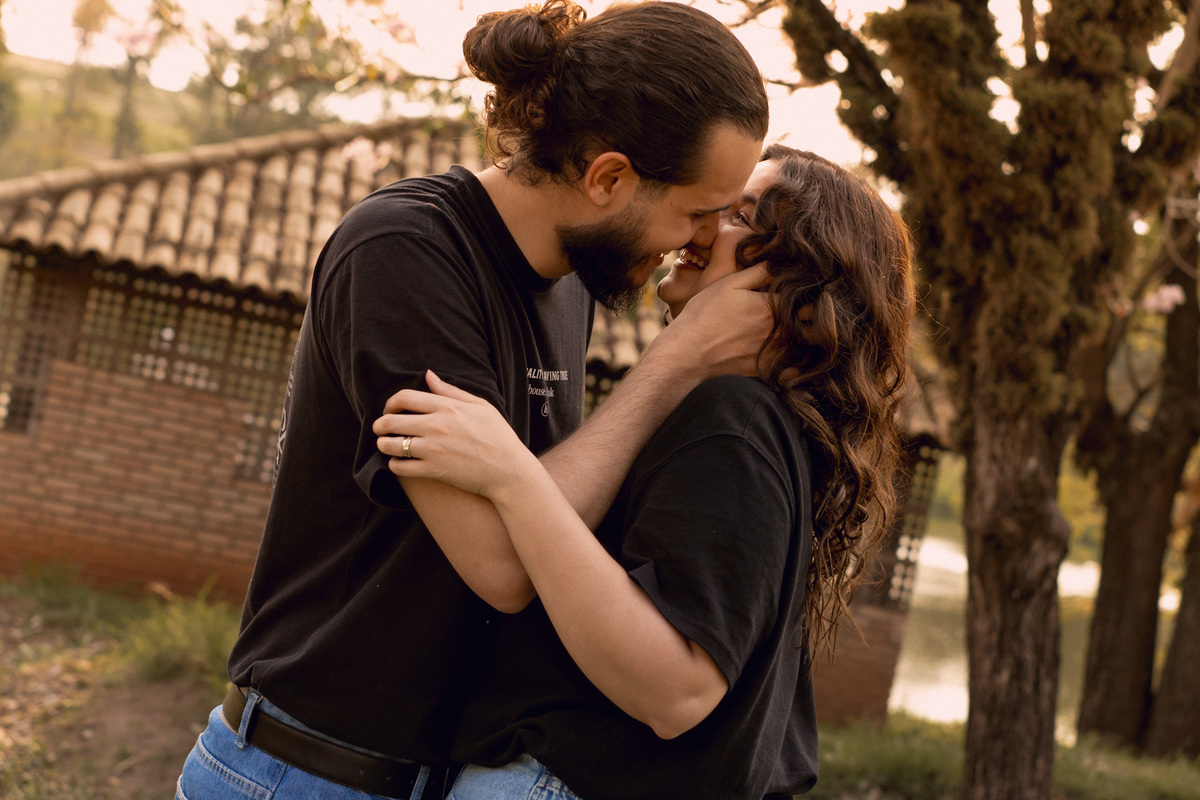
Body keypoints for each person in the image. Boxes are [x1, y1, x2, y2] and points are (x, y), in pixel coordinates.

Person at [175, 2, 771, 799]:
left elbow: (543, 513)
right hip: (306, 774)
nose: (700, 238)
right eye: (696, 211)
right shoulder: (405, 251)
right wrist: (676, 364)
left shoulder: (569, 287)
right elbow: (502, 564)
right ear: (609, 178)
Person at [372, 145, 916, 800]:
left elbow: (677, 691)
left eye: (741, 216)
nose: (703, 226)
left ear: (799, 281)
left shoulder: (734, 421)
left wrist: (511, 475)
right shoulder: (749, 424)